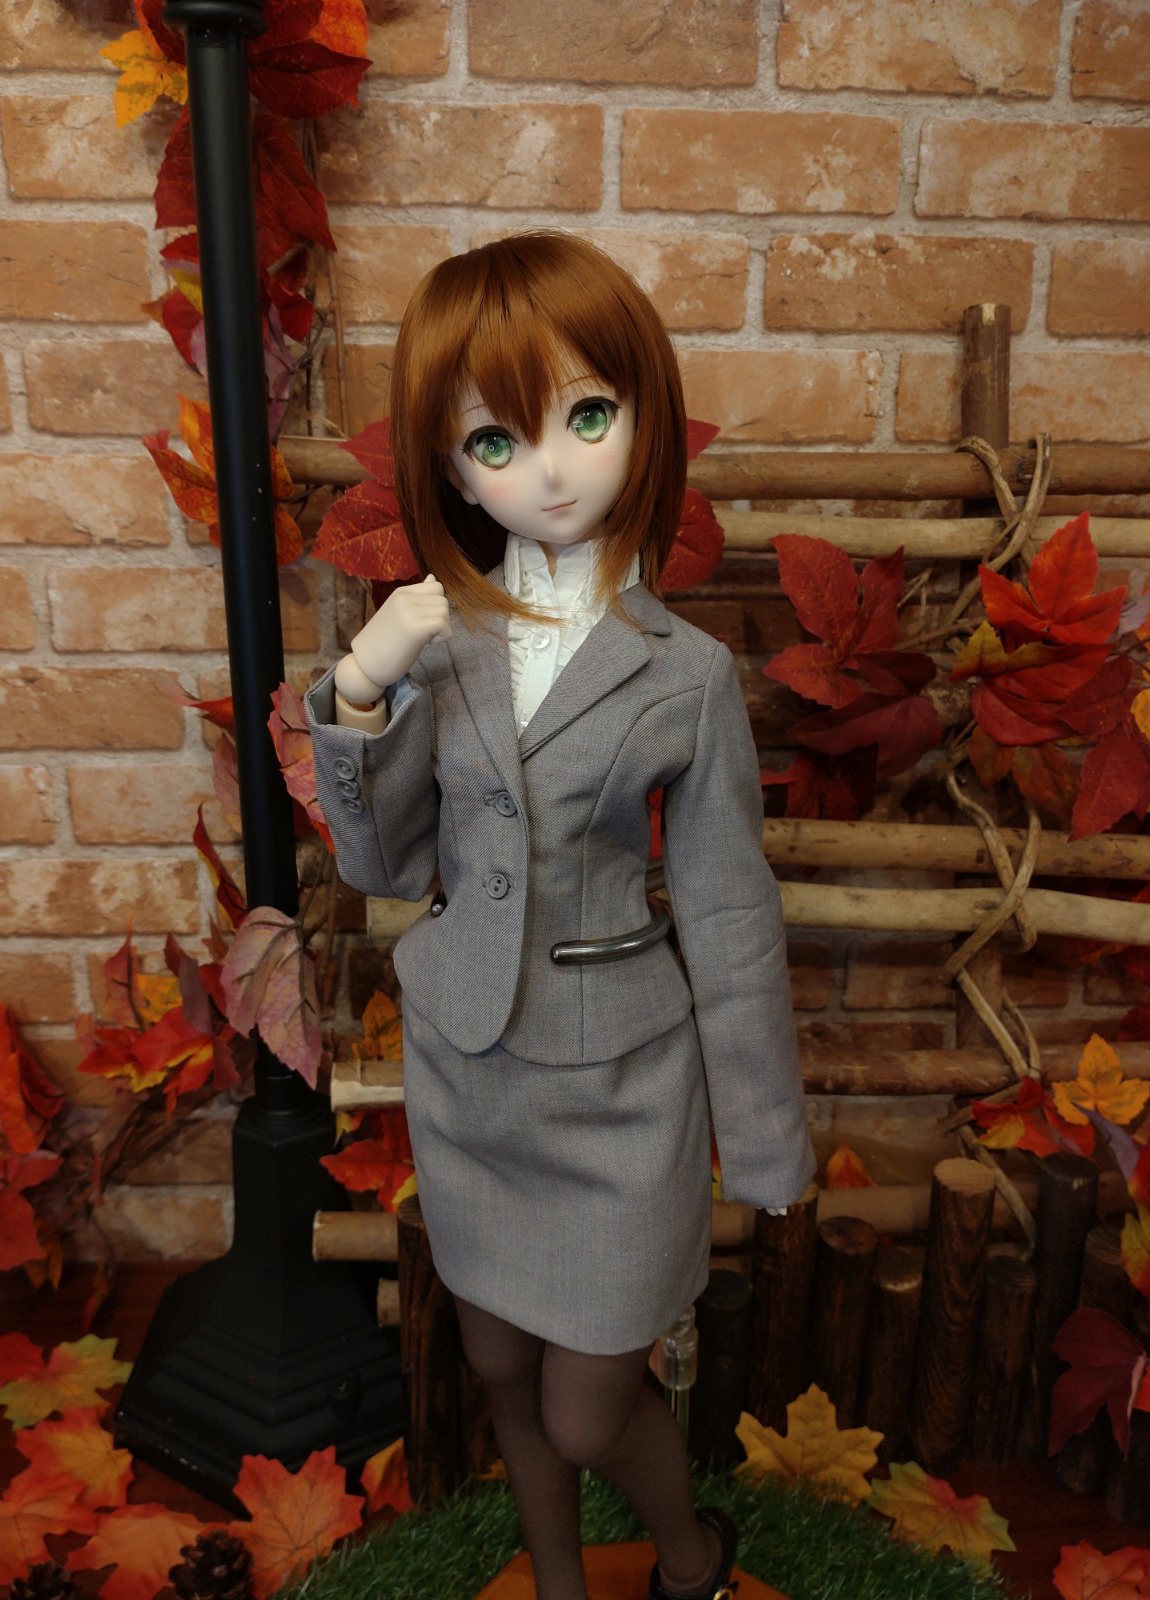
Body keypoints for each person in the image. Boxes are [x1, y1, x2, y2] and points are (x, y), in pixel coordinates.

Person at [306, 232, 816, 1600]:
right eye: (496, 440)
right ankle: (558, 1585)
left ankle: (691, 1560)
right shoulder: (440, 647)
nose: (547, 470)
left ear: (645, 413)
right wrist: (360, 687)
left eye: (588, 415)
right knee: (498, 1368)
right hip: (471, 1072)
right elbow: (384, 864)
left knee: (588, 1407)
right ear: (450, 467)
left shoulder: (685, 672)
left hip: (619, 1090)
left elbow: (727, 909)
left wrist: (765, 1141)